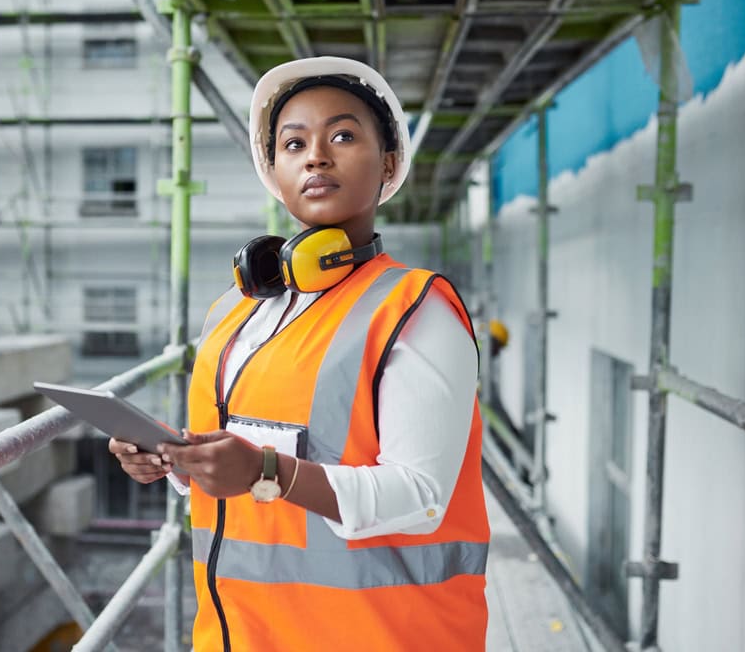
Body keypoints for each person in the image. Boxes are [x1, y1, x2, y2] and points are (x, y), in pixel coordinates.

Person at [110, 56, 490, 651]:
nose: (316, 155)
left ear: (388, 163)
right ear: (275, 171)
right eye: (294, 143)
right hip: (241, 631)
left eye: (342, 135)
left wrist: (267, 472)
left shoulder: (416, 310)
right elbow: (260, 446)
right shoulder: (234, 312)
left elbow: (420, 497)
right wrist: (176, 459)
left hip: (377, 637)